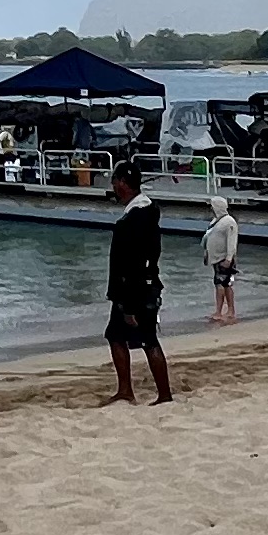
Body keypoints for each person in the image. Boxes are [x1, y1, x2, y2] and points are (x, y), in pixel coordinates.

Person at [100, 162, 171, 405]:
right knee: (125, 336)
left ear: (121, 183)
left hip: (133, 289)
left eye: (114, 181)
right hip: (147, 284)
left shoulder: (131, 221)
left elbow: (130, 262)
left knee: (141, 339)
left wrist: (128, 304)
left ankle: (141, 392)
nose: (113, 186)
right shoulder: (149, 211)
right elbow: (151, 254)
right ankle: (143, 392)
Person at [205, 196, 243, 324]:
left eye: (213, 206)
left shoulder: (229, 222)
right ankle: (229, 311)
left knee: (221, 284)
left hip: (224, 258)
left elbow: (232, 242)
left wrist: (229, 258)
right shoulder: (216, 220)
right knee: (225, 284)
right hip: (215, 258)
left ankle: (221, 311)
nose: (211, 208)